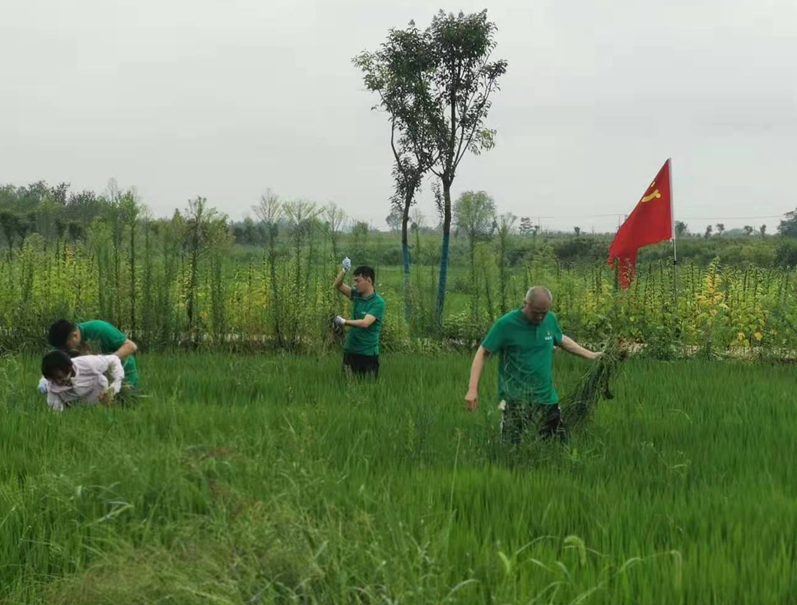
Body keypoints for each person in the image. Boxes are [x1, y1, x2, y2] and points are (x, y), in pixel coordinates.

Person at [464, 286, 602, 443]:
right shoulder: (506, 324)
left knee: (557, 446)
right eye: (536, 312)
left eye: (544, 312)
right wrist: (472, 389)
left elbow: (560, 339)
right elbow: (483, 352)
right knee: (513, 447)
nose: (540, 317)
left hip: (546, 398)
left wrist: (591, 355)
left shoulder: (550, 319)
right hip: (516, 399)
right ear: (526, 303)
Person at [332, 258, 386, 378]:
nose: (355, 284)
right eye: (354, 281)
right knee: (347, 385)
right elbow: (337, 285)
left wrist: (344, 322)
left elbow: (365, 323)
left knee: (368, 387)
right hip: (350, 350)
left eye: (358, 281)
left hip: (368, 354)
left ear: (369, 280)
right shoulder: (356, 295)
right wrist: (344, 270)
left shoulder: (378, 302)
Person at [48, 319, 139, 387]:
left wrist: (107, 361)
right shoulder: (62, 345)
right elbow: (52, 364)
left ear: (75, 336)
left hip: (124, 378)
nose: (65, 349)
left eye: (67, 345)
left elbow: (131, 346)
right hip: (96, 384)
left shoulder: (99, 329)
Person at [40, 350, 124, 413]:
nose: (58, 382)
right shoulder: (52, 387)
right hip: (75, 405)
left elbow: (113, 360)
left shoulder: (88, 363)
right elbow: (56, 412)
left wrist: (117, 382)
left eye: (59, 377)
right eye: (53, 379)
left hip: (97, 392)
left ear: (69, 369)